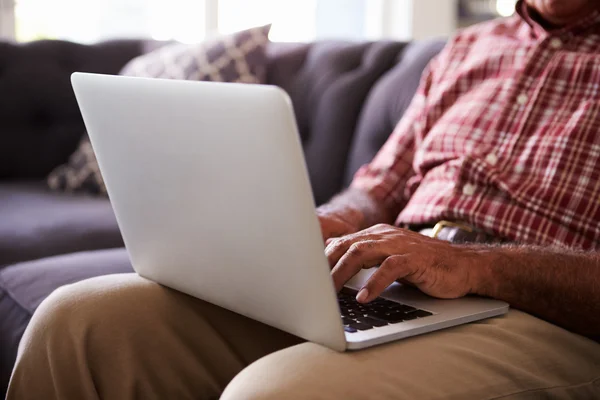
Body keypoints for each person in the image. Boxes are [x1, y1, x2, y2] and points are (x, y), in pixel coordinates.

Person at [7, 0, 600, 398]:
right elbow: (379, 185)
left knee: (275, 392)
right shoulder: (468, 50)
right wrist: (326, 220)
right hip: (398, 284)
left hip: (542, 315)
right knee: (76, 324)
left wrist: (480, 266)